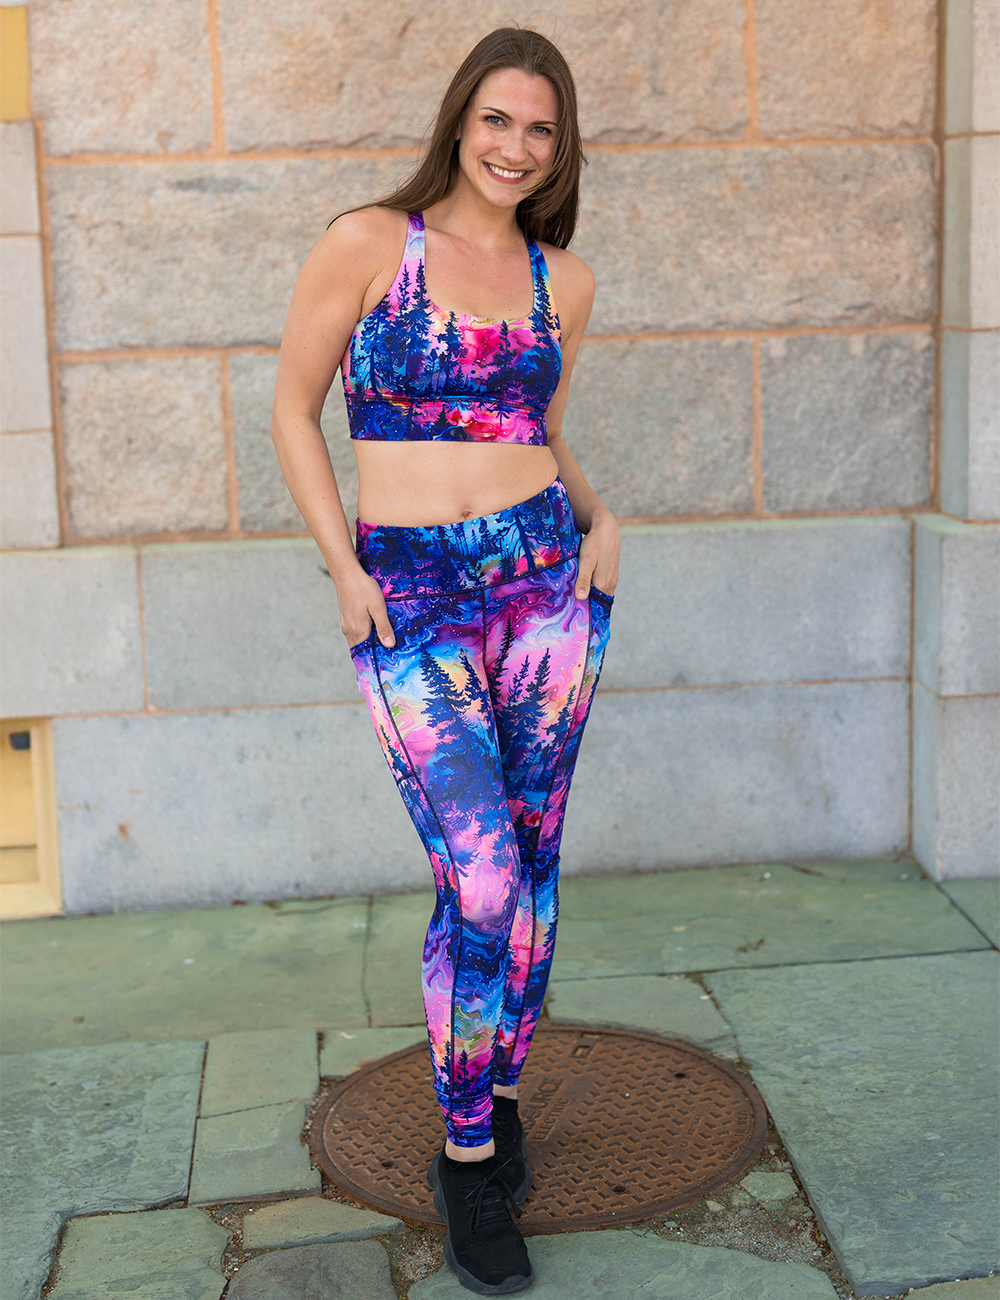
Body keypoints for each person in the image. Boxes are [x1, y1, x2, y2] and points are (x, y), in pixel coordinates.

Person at [271, 26, 619, 1294]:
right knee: (477, 876)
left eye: (540, 129)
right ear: (457, 121)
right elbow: (289, 407)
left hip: (544, 584)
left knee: (530, 867)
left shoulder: (560, 280)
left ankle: (501, 1091)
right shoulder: (372, 243)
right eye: (497, 120)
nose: (516, 148)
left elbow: (543, 425)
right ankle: (468, 1161)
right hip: (409, 594)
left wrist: (604, 519)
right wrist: (347, 570)